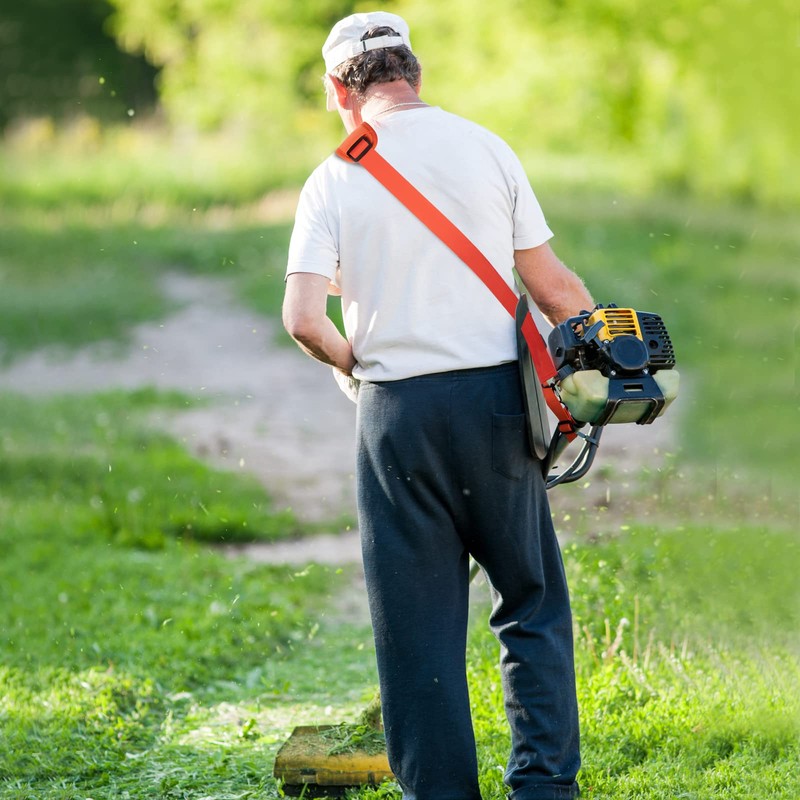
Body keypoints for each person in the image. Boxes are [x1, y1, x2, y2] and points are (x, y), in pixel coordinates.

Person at [282, 11, 594, 800]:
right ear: (413, 73)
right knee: (529, 601)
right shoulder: (487, 148)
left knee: (415, 631)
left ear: (337, 91)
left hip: (396, 420)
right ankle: (544, 789)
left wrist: (363, 371)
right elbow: (555, 292)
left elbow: (303, 320)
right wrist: (599, 374)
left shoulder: (334, 176)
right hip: (494, 406)